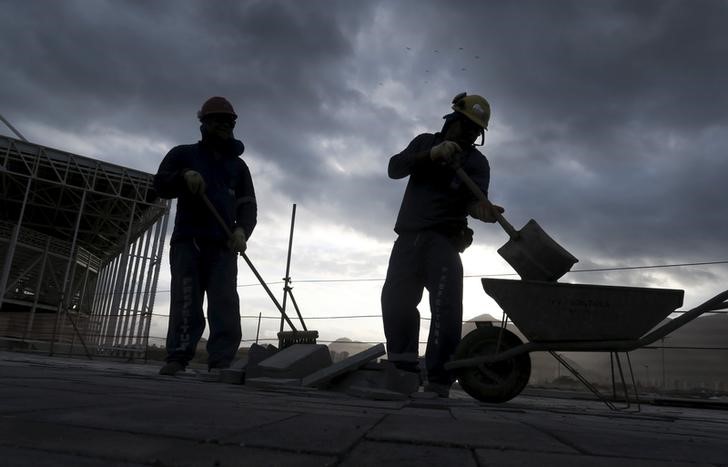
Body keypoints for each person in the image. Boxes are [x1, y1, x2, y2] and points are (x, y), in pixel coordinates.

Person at [381, 92, 503, 397]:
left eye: (477, 132)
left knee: (446, 309)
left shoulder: (477, 162)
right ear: (452, 120)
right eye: (467, 127)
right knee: (397, 302)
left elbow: (475, 202)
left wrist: (482, 212)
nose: (471, 135)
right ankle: (404, 369)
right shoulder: (424, 142)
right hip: (408, 237)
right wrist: (431, 155)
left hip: (444, 242)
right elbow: (395, 168)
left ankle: (438, 379)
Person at [153, 96, 257, 376]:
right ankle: (178, 356)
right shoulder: (183, 154)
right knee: (186, 299)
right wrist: (183, 176)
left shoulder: (238, 167)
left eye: (228, 121)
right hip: (189, 240)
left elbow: (248, 206)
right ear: (204, 123)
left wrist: (241, 230)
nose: (223, 125)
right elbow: (160, 184)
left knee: (224, 301)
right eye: (217, 120)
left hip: (223, 245)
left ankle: (221, 360)